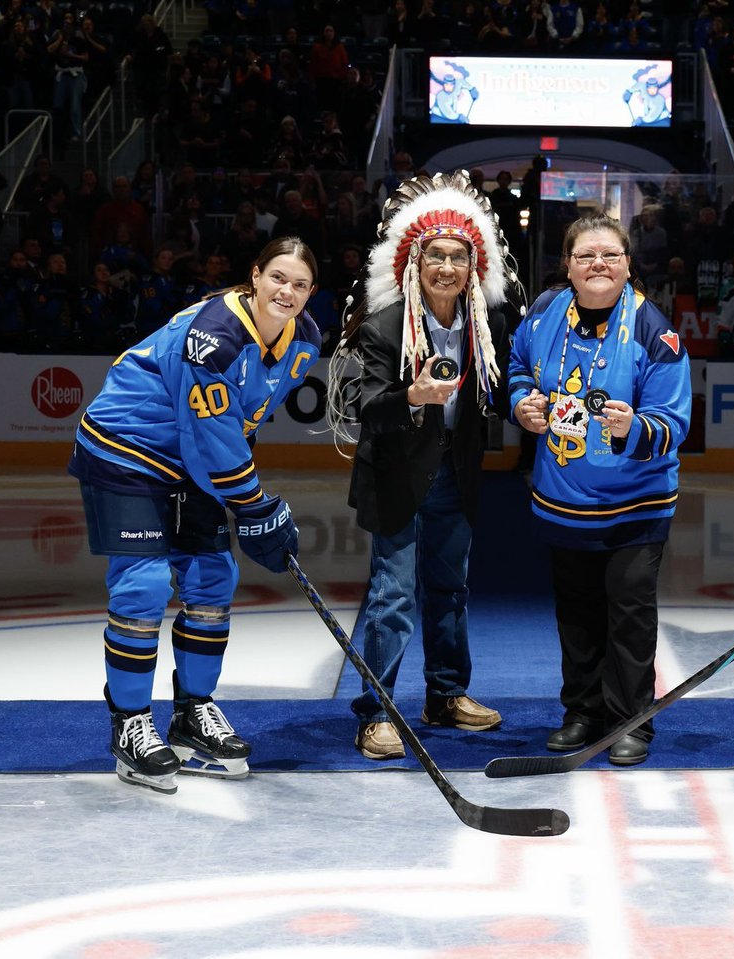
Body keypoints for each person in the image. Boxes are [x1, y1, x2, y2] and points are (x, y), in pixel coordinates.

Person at [68, 237, 322, 795]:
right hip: (127, 449)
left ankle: (192, 714)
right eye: (278, 277)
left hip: (189, 457)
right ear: (255, 276)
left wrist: (247, 498)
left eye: (300, 284)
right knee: (145, 583)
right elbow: (208, 429)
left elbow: (237, 422)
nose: (287, 291)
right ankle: (130, 724)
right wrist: (254, 504)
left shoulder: (303, 343)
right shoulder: (217, 337)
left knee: (213, 579)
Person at [325, 171, 513, 761]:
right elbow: (363, 405)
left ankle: (446, 696)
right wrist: (412, 398)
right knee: (392, 596)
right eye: (437, 256)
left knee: (451, 590)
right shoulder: (383, 329)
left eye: (459, 257)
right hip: (397, 478)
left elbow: (501, 391)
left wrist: (532, 405)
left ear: (473, 266)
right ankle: (376, 712)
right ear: (415, 262)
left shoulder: (490, 326)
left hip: (455, 476)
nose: (448, 267)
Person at [508, 214, 692, 767]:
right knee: (577, 615)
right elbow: (518, 367)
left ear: (629, 265)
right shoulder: (542, 313)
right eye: (586, 255)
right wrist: (524, 403)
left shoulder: (654, 330)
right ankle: (582, 713)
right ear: (567, 265)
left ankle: (630, 721)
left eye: (610, 255)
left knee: (629, 616)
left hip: (636, 505)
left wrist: (630, 428)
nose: (598, 265)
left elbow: (673, 421)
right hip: (563, 499)